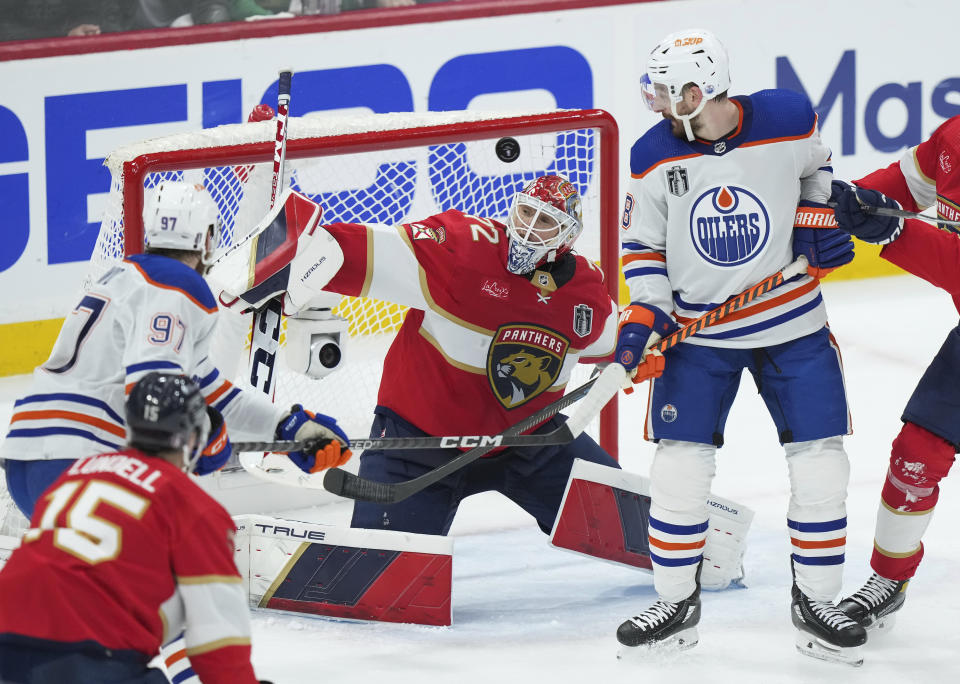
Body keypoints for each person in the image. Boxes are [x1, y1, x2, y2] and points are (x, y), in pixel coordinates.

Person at [218, 174, 668, 539]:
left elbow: (620, 341)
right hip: (417, 443)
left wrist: (637, 354)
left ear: (567, 237)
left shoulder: (583, 294)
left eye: (545, 221)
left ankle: (677, 545)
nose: (530, 228)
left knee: (646, 537)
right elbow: (355, 252)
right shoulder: (459, 249)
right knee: (382, 576)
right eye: (526, 213)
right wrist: (295, 253)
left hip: (532, 445)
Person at [612, 28, 864, 664]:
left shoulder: (786, 119)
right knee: (677, 470)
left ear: (703, 89)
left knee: (821, 465)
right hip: (701, 337)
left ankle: (817, 602)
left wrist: (815, 217)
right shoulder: (651, 155)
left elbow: (819, 168)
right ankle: (675, 603)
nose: (661, 102)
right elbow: (643, 246)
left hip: (793, 324)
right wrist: (648, 312)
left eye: (673, 92)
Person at [0, 180, 350, 523]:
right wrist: (203, 435)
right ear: (208, 239)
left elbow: (212, 394)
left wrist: (286, 426)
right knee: (174, 556)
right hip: (82, 461)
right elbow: (155, 393)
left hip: (26, 457)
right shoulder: (176, 285)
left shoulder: (126, 277)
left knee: (87, 577)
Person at [0, 373, 271, 684]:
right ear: (194, 438)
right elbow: (219, 636)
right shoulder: (194, 506)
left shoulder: (77, 472)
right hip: (85, 650)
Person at [831, 115, 960, 631]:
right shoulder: (955, 136)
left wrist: (894, 233)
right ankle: (890, 577)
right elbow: (905, 185)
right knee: (915, 456)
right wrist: (840, 202)